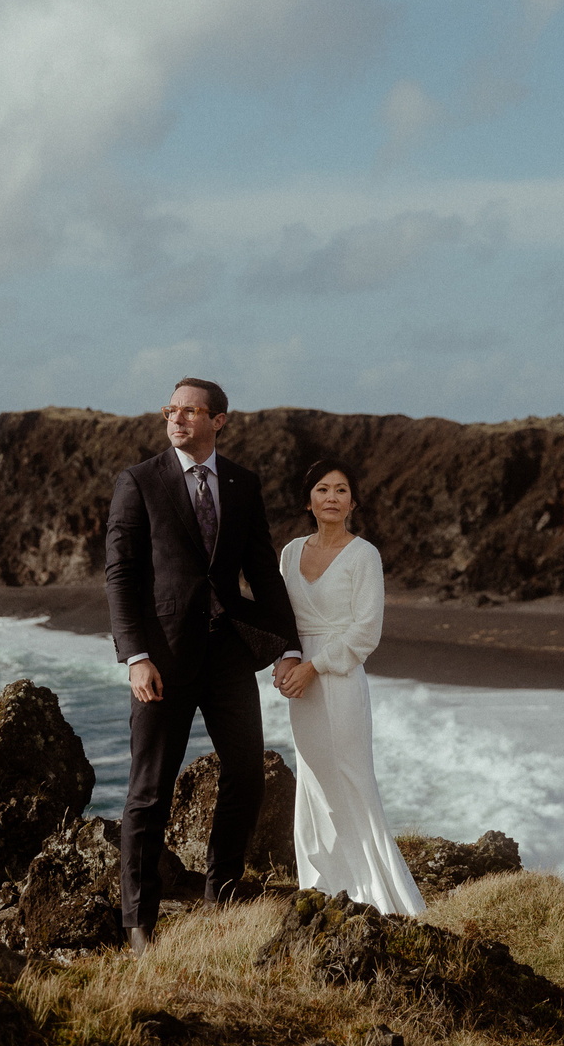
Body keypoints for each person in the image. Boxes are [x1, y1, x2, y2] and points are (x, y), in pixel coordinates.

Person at [105, 378, 302, 951]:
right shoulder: (139, 481)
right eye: (172, 410)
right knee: (149, 790)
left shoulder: (242, 483)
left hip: (228, 654)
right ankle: (139, 924)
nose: (177, 419)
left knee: (246, 772)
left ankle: (223, 891)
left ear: (220, 420)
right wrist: (135, 656)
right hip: (162, 658)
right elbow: (119, 574)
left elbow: (263, 570)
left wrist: (288, 645)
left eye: (191, 412)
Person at [271, 462, 427, 917]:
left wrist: (313, 666)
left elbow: (365, 633)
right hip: (299, 681)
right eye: (323, 489)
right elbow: (283, 621)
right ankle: (321, 884)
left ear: (353, 502)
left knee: (353, 778)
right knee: (314, 781)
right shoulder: (290, 553)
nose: (332, 497)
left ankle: (378, 894)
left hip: (338, 678)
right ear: (309, 501)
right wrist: (286, 662)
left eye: (342, 490)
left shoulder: (364, 556)